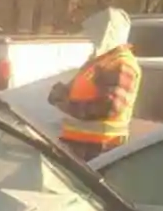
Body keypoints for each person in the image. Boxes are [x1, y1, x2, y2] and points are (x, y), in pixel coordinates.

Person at [47, 8, 139, 161]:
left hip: (101, 148)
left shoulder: (121, 64)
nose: (93, 39)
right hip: (79, 145)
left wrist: (66, 104)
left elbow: (109, 107)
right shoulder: (99, 61)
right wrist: (60, 92)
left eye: (97, 33)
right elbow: (78, 89)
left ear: (109, 33)